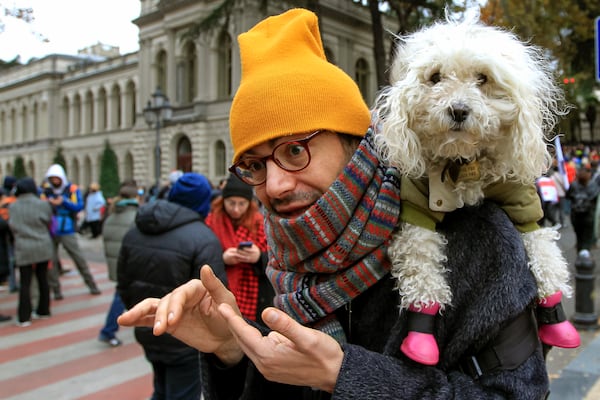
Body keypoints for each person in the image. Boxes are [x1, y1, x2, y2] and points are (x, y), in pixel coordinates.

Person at [119, 9, 549, 399]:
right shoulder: (286, 263)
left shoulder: (479, 240)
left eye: (294, 151)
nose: (275, 185)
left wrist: (347, 374)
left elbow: (518, 394)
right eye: (252, 165)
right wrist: (232, 350)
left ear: (353, 144)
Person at [117, 172, 227, 400]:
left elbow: (123, 284)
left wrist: (144, 315)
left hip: (147, 328)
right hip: (184, 336)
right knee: (181, 392)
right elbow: (214, 295)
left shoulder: (135, 230)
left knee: (162, 386)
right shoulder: (203, 238)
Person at [205, 174, 273, 322]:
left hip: (255, 298)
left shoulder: (259, 224)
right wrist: (222, 259)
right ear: (223, 201)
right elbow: (201, 260)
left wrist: (259, 257)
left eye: (242, 204)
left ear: (250, 203)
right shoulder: (211, 222)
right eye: (231, 203)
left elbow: (277, 262)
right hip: (219, 292)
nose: (236, 209)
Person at [41, 164, 101, 299]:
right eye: (53, 179)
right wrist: (50, 203)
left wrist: (63, 201)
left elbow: (78, 206)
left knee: (78, 258)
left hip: (67, 229)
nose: (55, 181)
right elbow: (41, 207)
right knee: (52, 262)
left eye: (57, 179)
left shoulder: (71, 189)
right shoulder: (45, 191)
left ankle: (91, 284)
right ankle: (56, 290)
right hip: (51, 230)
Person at [98, 180, 140, 347]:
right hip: (129, 263)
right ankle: (108, 330)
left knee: (126, 295)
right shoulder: (135, 216)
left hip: (117, 262)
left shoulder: (112, 215)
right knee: (121, 297)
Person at [8, 177, 54, 327]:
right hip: (42, 243)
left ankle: (24, 316)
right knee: (43, 279)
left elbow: (12, 225)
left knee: (25, 282)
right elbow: (48, 220)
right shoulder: (43, 204)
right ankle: (44, 310)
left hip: (23, 246)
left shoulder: (13, 207)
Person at [567, 165, 600, 252]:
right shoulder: (593, 185)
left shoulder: (573, 185)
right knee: (587, 236)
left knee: (579, 235)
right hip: (589, 215)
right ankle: (585, 253)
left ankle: (580, 250)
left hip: (575, 215)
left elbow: (568, 196)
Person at [0, 176, 18, 293]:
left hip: (7, 232)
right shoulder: (10, 199)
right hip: (8, 232)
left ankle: (11, 282)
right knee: (11, 258)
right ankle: (11, 283)